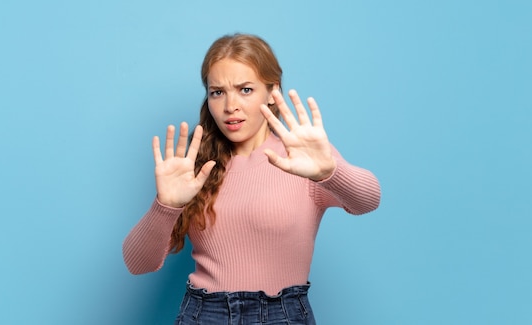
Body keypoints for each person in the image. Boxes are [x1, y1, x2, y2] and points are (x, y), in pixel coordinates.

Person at [123, 33, 381, 325]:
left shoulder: (301, 158)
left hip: (282, 315)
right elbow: (137, 263)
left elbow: (368, 200)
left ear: (273, 92)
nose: (230, 106)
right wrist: (165, 205)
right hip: (204, 315)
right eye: (217, 92)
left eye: (245, 89)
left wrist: (330, 172)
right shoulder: (196, 168)